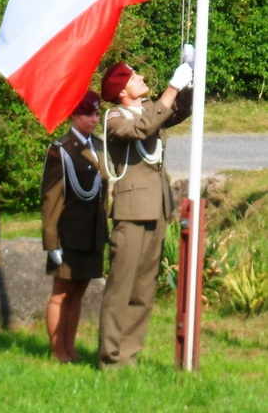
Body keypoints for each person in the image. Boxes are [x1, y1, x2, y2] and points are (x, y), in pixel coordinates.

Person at [98, 60, 193, 369]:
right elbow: (142, 128)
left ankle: (129, 355)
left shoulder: (150, 108)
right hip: (131, 211)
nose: (140, 77)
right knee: (121, 287)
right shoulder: (115, 117)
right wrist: (172, 86)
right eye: (133, 77)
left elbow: (180, 110)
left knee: (144, 289)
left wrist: (190, 79)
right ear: (121, 91)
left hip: (156, 207)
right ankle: (110, 357)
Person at [41, 91, 109, 363]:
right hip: (68, 231)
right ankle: (59, 350)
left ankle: (71, 347)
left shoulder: (99, 146)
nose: (94, 119)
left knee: (78, 292)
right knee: (61, 293)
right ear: (73, 116)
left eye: (96, 114)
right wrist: (52, 242)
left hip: (92, 231)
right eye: (88, 114)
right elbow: (51, 198)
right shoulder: (62, 149)